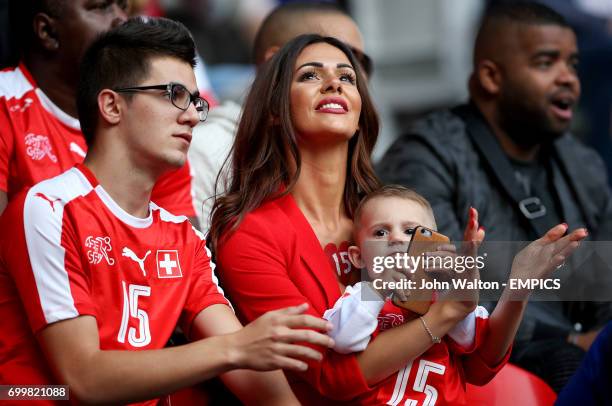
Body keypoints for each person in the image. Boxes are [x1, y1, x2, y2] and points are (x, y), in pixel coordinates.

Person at [210, 34, 587, 404]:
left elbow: (476, 365)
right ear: (274, 111)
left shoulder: (393, 213)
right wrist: (440, 318)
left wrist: (516, 290)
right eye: (310, 75)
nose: (333, 84)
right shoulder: (248, 232)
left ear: (359, 113)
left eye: (347, 78)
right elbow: (330, 376)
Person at [0, 18, 336, 405]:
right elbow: (84, 379)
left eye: (196, 101)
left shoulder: (183, 237)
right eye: (174, 94)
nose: (192, 115)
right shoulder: (48, 209)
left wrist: (247, 351)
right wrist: (237, 347)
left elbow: (257, 379)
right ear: (111, 105)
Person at [377, 2, 612, 392]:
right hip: (478, 355)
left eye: (572, 64)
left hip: (579, 349)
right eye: (546, 63)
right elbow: (438, 286)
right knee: (568, 363)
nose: (568, 78)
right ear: (490, 76)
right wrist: (570, 340)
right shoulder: (425, 155)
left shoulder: (582, 162)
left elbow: (605, 278)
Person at [323, 184, 586, 404]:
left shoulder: (442, 295)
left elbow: (471, 339)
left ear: (435, 245)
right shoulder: (359, 297)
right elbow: (344, 340)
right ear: (358, 258)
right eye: (381, 232)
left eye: (412, 231)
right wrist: (377, 289)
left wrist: (453, 288)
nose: (397, 239)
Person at [0, 0, 198, 225]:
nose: (122, 19)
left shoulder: (153, 124)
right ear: (48, 31)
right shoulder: (4, 102)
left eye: (124, 6)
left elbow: (181, 250)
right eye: (100, 7)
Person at [188, 1, 371, 230]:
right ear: (274, 67)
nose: (352, 78)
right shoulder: (206, 150)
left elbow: (425, 262)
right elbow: (192, 260)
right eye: (312, 73)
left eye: (352, 69)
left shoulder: (378, 189)